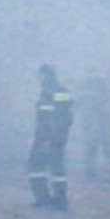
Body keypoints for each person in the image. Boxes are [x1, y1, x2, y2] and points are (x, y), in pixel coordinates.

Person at [28, 64, 75, 210]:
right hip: (47, 136)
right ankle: (46, 198)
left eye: (41, 75)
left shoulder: (56, 92)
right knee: (46, 167)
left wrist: (51, 136)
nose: (39, 78)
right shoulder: (48, 91)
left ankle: (55, 199)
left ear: (48, 75)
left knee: (50, 167)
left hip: (50, 137)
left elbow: (61, 117)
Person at [78, 76, 110, 182]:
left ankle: (96, 174)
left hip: (99, 124)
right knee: (100, 149)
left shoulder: (87, 88)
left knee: (99, 149)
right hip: (97, 124)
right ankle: (109, 173)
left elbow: (77, 104)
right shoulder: (102, 88)